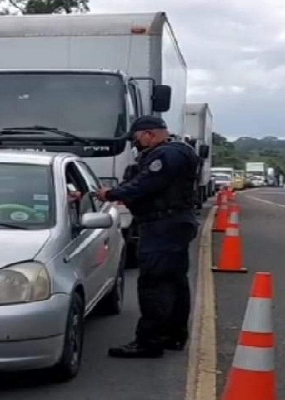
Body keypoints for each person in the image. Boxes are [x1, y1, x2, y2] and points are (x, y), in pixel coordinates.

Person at [96, 115, 201, 359]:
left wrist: (111, 193)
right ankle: (173, 335)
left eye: (137, 139)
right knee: (174, 282)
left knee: (153, 284)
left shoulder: (166, 155)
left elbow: (144, 184)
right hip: (172, 223)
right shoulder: (177, 151)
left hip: (163, 225)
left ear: (149, 134)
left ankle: (149, 342)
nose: (136, 144)